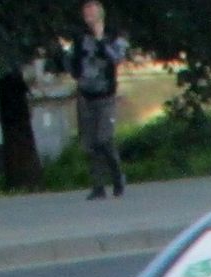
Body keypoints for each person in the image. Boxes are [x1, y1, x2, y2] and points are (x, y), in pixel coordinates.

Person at [67, 2, 129, 200]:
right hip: (86, 95)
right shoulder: (80, 38)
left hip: (106, 96)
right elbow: (71, 61)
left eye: (92, 15)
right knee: (90, 143)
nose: (88, 19)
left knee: (104, 139)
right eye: (86, 15)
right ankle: (98, 186)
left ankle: (118, 177)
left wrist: (101, 40)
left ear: (101, 16)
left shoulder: (114, 36)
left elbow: (117, 58)